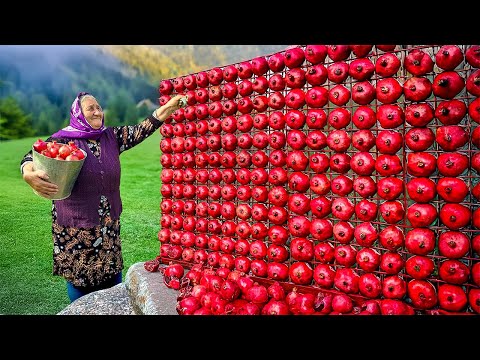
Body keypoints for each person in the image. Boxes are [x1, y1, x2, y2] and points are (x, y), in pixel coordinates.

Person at [20, 91, 184, 303]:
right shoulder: (63, 140)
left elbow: (143, 128)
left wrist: (170, 107)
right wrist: (28, 173)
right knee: (80, 282)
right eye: (91, 108)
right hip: (75, 229)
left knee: (111, 277)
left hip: (108, 227)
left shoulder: (111, 137)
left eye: (99, 107)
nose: (97, 111)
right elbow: (32, 156)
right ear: (78, 113)